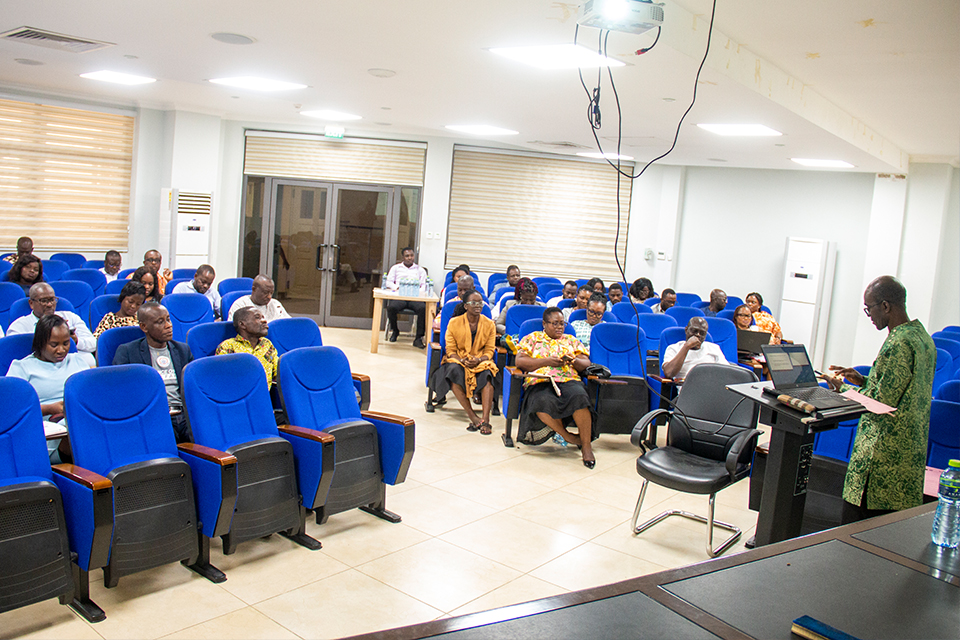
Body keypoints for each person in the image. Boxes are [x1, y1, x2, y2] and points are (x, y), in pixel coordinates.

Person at [825, 276, 936, 524]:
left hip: (881, 463)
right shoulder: (921, 337)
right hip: (906, 458)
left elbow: (880, 403)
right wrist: (862, 380)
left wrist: (842, 389)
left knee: (856, 535)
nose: (869, 316)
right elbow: (902, 389)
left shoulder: (899, 342)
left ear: (885, 306)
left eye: (869, 309)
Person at [515, 307, 596, 468]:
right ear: (544, 324)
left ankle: (586, 446)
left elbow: (586, 363)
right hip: (541, 380)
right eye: (555, 323)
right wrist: (546, 361)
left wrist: (573, 361)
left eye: (562, 323)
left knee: (580, 398)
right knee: (541, 401)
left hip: (568, 379)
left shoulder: (571, 340)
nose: (559, 327)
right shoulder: (532, 338)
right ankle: (568, 436)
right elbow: (520, 361)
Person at [8, 314, 92, 461]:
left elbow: (92, 395)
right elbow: (12, 410)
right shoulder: (22, 367)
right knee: (77, 426)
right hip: (46, 431)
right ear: (40, 343)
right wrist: (49, 409)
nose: (61, 350)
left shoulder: (77, 360)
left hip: (79, 418)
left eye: (66, 343)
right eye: (54, 345)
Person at [113, 302, 194, 443]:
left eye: (168, 319)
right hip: (154, 416)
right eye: (160, 322)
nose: (168, 325)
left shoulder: (183, 350)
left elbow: (193, 387)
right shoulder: (128, 352)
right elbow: (121, 390)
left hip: (185, 415)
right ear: (144, 327)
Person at [430, 290, 499, 434]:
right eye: (473, 303)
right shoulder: (454, 323)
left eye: (480, 303)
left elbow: (489, 351)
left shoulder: (489, 324)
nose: (478, 305)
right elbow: (450, 350)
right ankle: (472, 415)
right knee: (453, 371)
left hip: (481, 360)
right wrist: (463, 360)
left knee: (488, 374)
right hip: (458, 360)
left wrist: (478, 360)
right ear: (466, 306)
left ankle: (486, 419)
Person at [7, 282, 96, 365]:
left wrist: (76, 341)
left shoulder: (70, 317)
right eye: (44, 301)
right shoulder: (19, 326)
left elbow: (93, 344)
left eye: (52, 300)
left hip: (77, 365)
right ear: (31, 303)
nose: (49, 304)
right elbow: (14, 353)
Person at [216, 307, 279, 387]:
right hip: (238, 392)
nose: (264, 321)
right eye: (257, 318)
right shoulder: (228, 346)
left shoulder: (266, 344)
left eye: (263, 317)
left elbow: (278, 372)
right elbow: (223, 378)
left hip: (265, 393)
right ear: (242, 324)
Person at [382, 247, 428, 349]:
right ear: (403, 257)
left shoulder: (420, 270)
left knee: (423, 309)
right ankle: (395, 331)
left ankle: (418, 338)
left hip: (415, 298)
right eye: (407, 256)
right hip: (400, 296)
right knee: (391, 308)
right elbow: (388, 282)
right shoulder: (395, 268)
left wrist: (418, 292)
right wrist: (396, 287)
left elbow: (424, 286)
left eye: (411, 256)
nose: (409, 258)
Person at [662, 316, 729, 379]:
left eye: (702, 333)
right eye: (694, 331)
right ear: (686, 330)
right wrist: (686, 347)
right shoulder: (674, 348)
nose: (698, 335)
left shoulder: (714, 348)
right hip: (687, 385)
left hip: (711, 384)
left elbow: (727, 372)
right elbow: (669, 373)